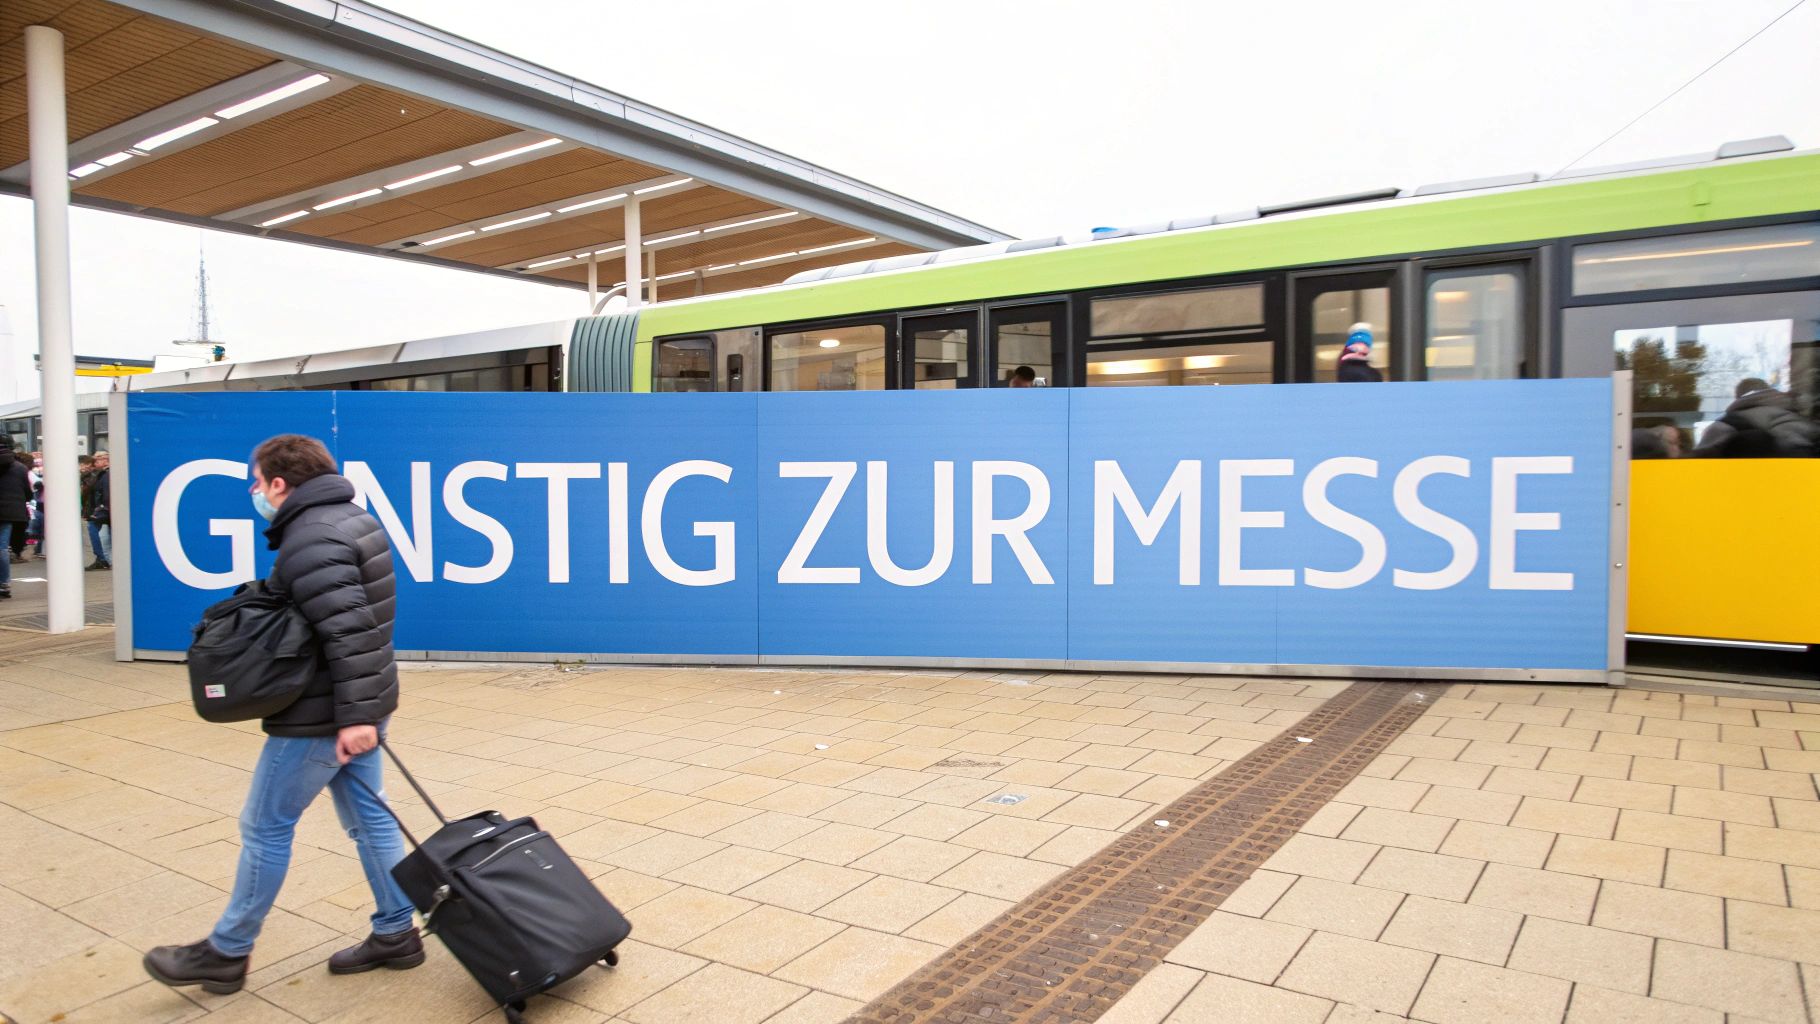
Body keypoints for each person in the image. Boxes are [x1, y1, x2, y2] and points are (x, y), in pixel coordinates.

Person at [144, 434, 421, 995]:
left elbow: (348, 633)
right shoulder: (347, 517)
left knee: (265, 826)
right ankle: (397, 931)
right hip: (355, 702)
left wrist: (355, 720)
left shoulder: (313, 537)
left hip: (326, 714)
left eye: (256, 480)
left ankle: (227, 951)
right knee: (371, 821)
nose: (253, 491)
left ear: (278, 483)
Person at [1693, 378, 1820, 458]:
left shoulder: (1727, 425)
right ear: (1768, 391)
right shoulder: (1804, 422)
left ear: (1738, 398)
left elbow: (1696, 465)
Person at [0, 438, 30, 598]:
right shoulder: (20, 468)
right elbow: (27, 492)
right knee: (2, 547)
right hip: (9, 513)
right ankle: (4, 583)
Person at [85, 451, 112, 570]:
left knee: (94, 527)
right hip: (104, 509)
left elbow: (106, 494)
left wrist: (101, 508)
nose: (95, 461)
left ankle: (102, 558)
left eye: (99, 458)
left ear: (107, 459)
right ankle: (102, 558)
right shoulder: (98, 474)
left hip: (105, 509)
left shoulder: (106, 474)